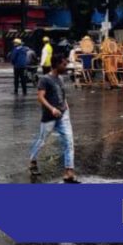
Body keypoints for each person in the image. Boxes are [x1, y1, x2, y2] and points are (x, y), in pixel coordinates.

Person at [28, 52, 78, 183]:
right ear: (56, 65)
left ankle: (69, 172)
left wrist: (66, 107)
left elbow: (62, 95)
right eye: (64, 64)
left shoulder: (60, 79)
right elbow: (40, 97)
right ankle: (32, 160)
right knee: (42, 140)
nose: (66, 66)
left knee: (69, 142)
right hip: (49, 116)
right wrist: (52, 109)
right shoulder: (45, 79)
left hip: (63, 115)